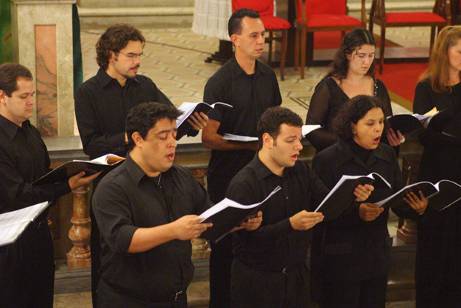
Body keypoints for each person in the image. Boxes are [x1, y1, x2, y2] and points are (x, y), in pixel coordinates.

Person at [74, 24, 208, 305]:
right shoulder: (88, 92)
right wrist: (130, 136)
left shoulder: (144, 85)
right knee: (110, 259)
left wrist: (189, 123)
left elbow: (169, 120)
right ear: (111, 55)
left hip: (151, 181)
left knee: (156, 253)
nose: (137, 61)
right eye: (131, 55)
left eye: (140, 55)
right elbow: (92, 144)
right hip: (113, 184)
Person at [92, 102, 261, 308]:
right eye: (163, 136)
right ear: (138, 139)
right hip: (129, 300)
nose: (172, 143)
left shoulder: (182, 176)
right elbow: (122, 239)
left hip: (176, 298)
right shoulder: (112, 186)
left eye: (173, 134)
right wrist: (174, 230)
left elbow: (208, 219)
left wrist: (240, 221)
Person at [226, 106, 373, 308]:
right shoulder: (244, 184)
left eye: (299, 139)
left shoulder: (301, 170)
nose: (299, 147)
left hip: (297, 278)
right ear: (268, 140)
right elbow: (246, 242)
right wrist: (290, 225)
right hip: (258, 284)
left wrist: (353, 197)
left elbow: (326, 203)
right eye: (290, 141)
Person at [202, 8, 282, 308]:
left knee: (259, 244)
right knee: (225, 250)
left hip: (262, 174)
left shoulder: (267, 76)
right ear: (235, 39)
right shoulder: (220, 82)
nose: (262, 41)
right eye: (254, 35)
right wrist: (247, 147)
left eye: (263, 35)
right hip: (228, 177)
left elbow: (275, 118)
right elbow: (208, 137)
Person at [0, 63, 99, 308]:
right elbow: (17, 195)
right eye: (23, 96)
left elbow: (41, 174)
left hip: (39, 235)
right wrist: (67, 185)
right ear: (2, 96)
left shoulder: (30, 132)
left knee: (42, 298)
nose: (31, 102)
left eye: (33, 95)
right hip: (8, 244)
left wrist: (71, 173)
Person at [311, 95, 424, 308]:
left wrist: (415, 209)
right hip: (341, 258)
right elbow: (318, 212)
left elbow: (397, 200)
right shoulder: (327, 160)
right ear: (353, 126)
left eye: (381, 122)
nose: (378, 129)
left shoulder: (387, 155)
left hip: (375, 255)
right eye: (370, 123)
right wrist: (356, 211)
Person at [412, 25, 461, 308]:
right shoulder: (426, 87)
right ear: (445, 52)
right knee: (434, 251)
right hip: (438, 176)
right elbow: (423, 134)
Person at [305, 28, 403, 152]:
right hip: (338, 157)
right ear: (347, 54)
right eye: (361, 56)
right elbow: (311, 130)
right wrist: (349, 144)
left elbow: (386, 126)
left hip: (372, 159)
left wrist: (394, 138)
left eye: (371, 55)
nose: (367, 62)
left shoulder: (378, 86)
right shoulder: (329, 87)